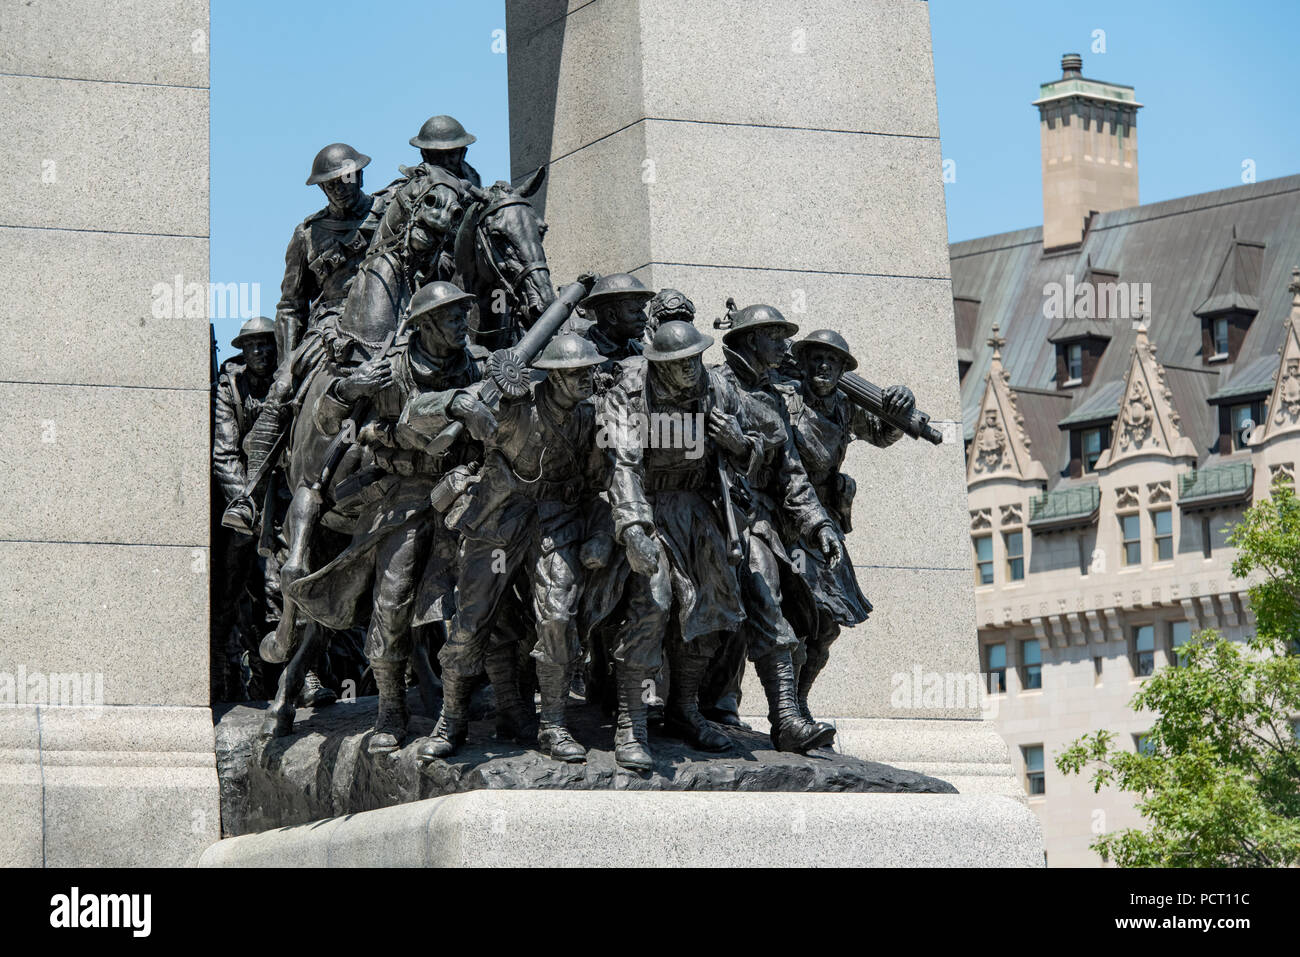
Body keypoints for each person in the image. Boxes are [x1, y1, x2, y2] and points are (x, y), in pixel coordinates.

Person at [284, 281, 490, 755]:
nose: (463, 324)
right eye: (453, 317)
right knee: (392, 602)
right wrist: (347, 388)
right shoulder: (389, 370)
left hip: (463, 491)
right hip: (400, 497)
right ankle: (391, 710)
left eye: (464, 314)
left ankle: (470, 709)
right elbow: (324, 422)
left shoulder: (474, 364)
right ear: (425, 324)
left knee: (482, 599)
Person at [416, 334, 610, 762]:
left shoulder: (592, 417)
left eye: (590, 370)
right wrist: (459, 405)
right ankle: (451, 720)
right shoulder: (512, 405)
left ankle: (554, 726)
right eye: (578, 373)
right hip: (500, 518)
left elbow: (600, 483)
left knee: (559, 618)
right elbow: (415, 414)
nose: (588, 378)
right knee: (470, 623)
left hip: (558, 520)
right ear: (554, 377)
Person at [714, 303, 841, 752]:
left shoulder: (771, 399)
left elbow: (792, 474)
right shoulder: (714, 385)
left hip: (762, 522)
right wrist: (735, 447)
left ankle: (786, 717)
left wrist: (818, 525)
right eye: (774, 336)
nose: (785, 346)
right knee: (744, 609)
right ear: (751, 340)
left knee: (787, 610)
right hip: (717, 513)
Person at [781, 329, 913, 725]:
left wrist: (900, 405)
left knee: (826, 628)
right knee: (791, 620)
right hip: (783, 517)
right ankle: (785, 710)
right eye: (816, 359)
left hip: (825, 520)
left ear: (842, 370)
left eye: (832, 361)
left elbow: (882, 432)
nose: (823, 367)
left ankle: (800, 702)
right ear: (802, 364)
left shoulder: (843, 406)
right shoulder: (784, 401)